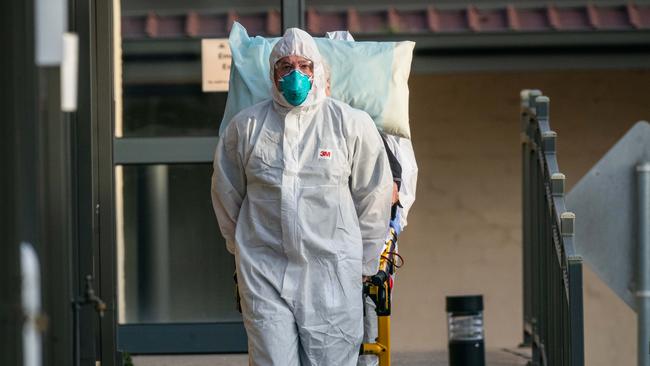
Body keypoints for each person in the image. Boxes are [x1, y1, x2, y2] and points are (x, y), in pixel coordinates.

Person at [211, 27, 393, 366]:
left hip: (333, 270)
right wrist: (242, 249)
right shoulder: (246, 127)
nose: (296, 75)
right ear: (273, 74)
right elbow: (226, 192)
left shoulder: (350, 124)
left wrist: (366, 262)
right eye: (286, 66)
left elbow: (374, 195)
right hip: (264, 269)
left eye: (305, 66)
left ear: (318, 71)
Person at [324, 30, 418, 366]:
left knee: (363, 313)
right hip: (322, 238)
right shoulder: (303, 128)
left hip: (361, 239)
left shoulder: (375, 131)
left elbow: (396, 187)